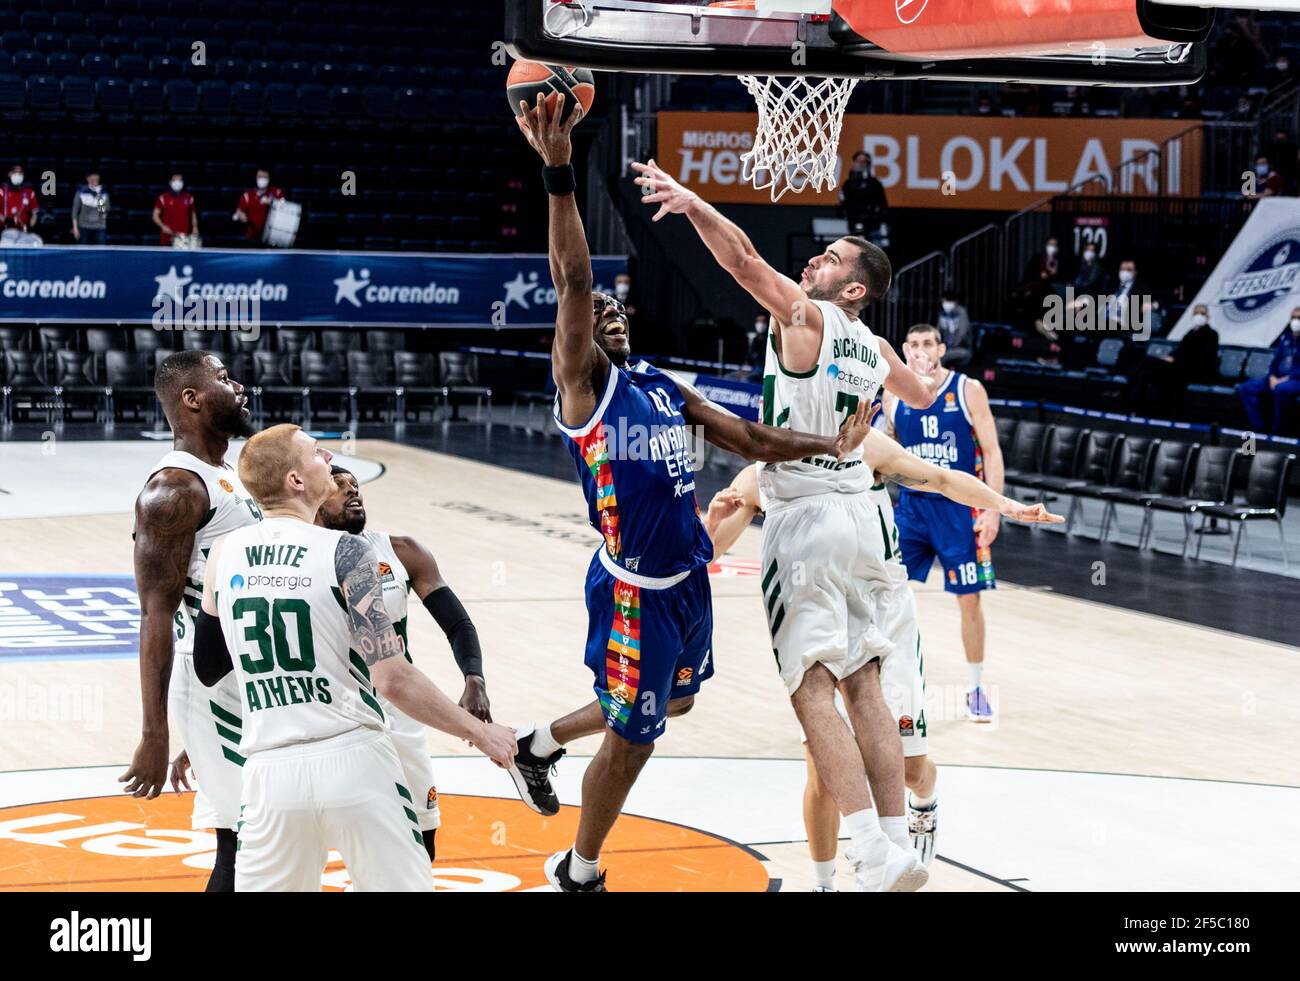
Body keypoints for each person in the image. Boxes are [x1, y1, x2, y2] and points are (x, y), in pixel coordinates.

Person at [506, 94, 878, 892]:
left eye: (613, 305)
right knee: (634, 737)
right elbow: (573, 275)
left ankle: (534, 741)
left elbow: (750, 438)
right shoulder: (585, 389)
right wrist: (560, 173)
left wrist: (830, 443)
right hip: (635, 590)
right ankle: (580, 867)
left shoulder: (660, 384)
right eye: (589, 312)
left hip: (689, 583)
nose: (602, 308)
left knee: (670, 709)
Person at [630, 155, 961, 892]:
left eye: (832, 256)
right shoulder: (874, 349)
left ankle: (871, 853)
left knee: (812, 683)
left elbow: (743, 260)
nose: (816, 256)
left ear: (853, 289)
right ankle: (894, 843)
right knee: (867, 681)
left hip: (807, 515)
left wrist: (690, 203)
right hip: (868, 519)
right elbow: (918, 389)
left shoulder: (807, 316)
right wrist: (915, 387)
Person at [704, 441, 1059, 889]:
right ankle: (823, 883)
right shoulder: (764, 476)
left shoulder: (860, 449)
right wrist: (710, 527)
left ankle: (924, 801)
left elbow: (944, 478)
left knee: (910, 771)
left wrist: (1006, 506)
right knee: (821, 767)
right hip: (820, 615)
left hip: (887, 615)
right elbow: (709, 550)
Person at [194, 425, 516, 891]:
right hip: (353, 758)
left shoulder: (223, 554)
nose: (327, 455)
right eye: (315, 452)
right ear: (296, 482)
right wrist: (481, 733)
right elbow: (393, 680)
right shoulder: (347, 551)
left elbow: (208, 667)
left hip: (268, 771)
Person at [119, 350, 260, 892]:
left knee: (268, 835)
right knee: (242, 845)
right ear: (192, 399)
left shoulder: (230, 474)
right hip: (211, 683)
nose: (239, 385)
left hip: (245, 680)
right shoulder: (174, 489)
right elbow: (156, 615)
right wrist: (157, 732)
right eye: (224, 378)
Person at [315, 464, 492, 860]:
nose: (351, 490)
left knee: (421, 837)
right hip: (332, 713)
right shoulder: (301, 557)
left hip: (399, 708)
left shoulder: (401, 551)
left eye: (355, 485)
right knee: (325, 843)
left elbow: (458, 623)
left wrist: (474, 678)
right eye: (337, 485)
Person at [883, 324, 1007, 722]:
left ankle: (974, 688)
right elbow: (885, 451)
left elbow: (991, 452)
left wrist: (992, 509)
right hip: (913, 508)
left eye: (927, 344)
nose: (921, 350)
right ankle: (887, 685)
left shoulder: (968, 390)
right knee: (886, 592)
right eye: (913, 345)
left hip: (960, 509)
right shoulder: (892, 394)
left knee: (970, 599)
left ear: (941, 349)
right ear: (904, 350)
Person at [1134, 304, 1219, 407]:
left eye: (1202, 313)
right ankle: (1138, 400)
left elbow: (1201, 356)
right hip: (1181, 366)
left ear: (1208, 316)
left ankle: (1138, 402)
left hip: (1194, 369)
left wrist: (1175, 360)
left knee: (1151, 365)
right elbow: (1181, 350)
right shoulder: (1190, 332)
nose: (1199, 316)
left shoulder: (1211, 334)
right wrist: (1169, 357)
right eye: (1196, 313)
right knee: (1146, 364)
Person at [1238, 308, 1300, 434]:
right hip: (1276, 379)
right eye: (1293, 318)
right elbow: (1274, 362)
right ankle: (1258, 426)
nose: (1296, 321)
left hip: (1295, 380)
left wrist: (1285, 379)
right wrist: (1272, 376)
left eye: (1298, 318)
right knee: (1246, 387)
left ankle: (1277, 431)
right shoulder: (1285, 339)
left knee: (1281, 389)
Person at [839, 151, 888, 243]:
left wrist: (876, 216)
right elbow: (843, 204)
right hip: (853, 225)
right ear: (854, 163)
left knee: (875, 252)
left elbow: (882, 204)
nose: (861, 164)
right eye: (859, 161)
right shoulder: (848, 184)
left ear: (868, 164)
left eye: (864, 161)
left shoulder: (875, 184)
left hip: (873, 226)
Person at [233, 168, 285, 246]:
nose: (262, 179)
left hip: (273, 238)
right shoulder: (247, 195)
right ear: (256, 178)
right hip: (252, 238)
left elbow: (286, 208)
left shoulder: (277, 192)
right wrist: (240, 215)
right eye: (260, 177)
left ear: (269, 179)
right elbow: (239, 211)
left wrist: (271, 202)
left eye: (265, 177)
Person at [154, 172, 198, 246]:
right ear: (170, 182)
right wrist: (162, 226)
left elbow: (193, 214)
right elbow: (155, 216)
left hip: (183, 237)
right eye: (175, 180)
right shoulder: (163, 198)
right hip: (167, 236)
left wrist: (195, 227)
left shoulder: (189, 198)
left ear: (183, 182)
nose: (177, 183)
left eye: (179, 180)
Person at [70, 171, 110, 245]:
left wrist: (98, 194)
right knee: (82, 252)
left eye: (96, 179)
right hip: (83, 227)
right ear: (88, 179)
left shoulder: (103, 193)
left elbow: (103, 211)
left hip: (99, 228)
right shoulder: (81, 192)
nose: (95, 181)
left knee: (101, 252)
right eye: (92, 179)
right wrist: (75, 228)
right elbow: (75, 212)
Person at [937, 291, 972, 369]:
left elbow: (961, 334)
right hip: (947, 348)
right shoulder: (943, 314)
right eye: (944, 301)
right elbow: (937, 332)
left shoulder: (961, 313)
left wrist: (949, 348)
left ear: (955, 302)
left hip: (962, 349)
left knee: (943, 356)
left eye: (947, 301)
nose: (945, 304)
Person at [1, 164, 39, 232]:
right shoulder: (2, 191)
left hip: (23, 231)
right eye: (15, 172)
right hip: (5, 230)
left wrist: (30, 226)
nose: (17, 175)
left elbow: (34, 213)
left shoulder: (30, 192)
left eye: (20, 173)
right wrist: (4, 220)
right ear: (9, 174)